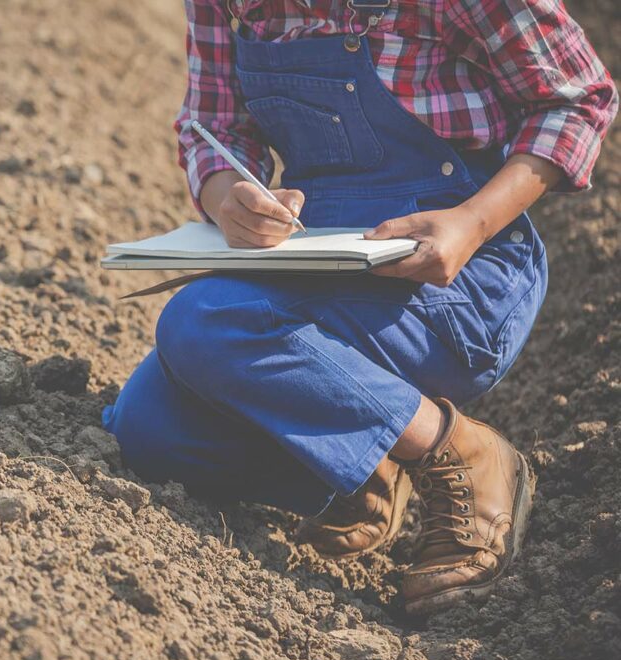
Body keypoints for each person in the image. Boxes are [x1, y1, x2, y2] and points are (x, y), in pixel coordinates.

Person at [103, 0, 616, 615]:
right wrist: (228, 196)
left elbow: (580, 98)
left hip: (457, 271)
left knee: (204, 320)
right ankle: (368, 460)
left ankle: (459, 451)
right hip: (319, 251)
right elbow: (211, 125)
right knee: (149, 429)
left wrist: (470, 223)